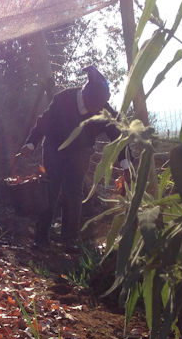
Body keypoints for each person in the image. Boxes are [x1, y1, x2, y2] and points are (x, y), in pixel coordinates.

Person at [19, 65, 131, 253]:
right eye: (93, 106)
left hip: (80, 153)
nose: (96, 109)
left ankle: (69, 239)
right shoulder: (63, 99)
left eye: (99, 106)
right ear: (85, 96)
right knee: (50, 191)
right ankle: (41, 238)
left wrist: (125, 163)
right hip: (55, 149)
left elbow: (118, 135)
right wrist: (31, 144)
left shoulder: (102, 109)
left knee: (74, 193)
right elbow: (43, 122)